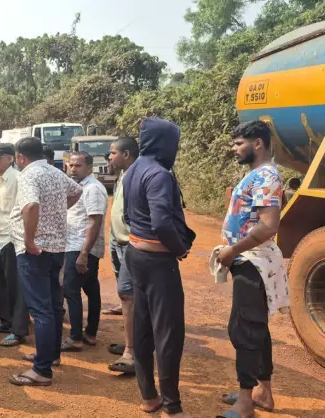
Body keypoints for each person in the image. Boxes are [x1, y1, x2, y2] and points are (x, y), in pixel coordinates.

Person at [122, 117, 195, 418]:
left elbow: (128, 216)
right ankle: (172, 407)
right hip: (158, 261)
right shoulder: (159, 174)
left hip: (135, 254)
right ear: (165, 143)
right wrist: (179, 249)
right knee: (168, 333)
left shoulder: (132, 170)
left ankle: (148, 396)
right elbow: (162, 222)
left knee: (143, 326)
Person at [216, 121, 289, 418]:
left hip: (253, 262)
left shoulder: (267, 177)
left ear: (257, 143)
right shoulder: (258, 174)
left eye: (239, 144)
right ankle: (263, 391)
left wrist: (233, 250)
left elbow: (269, 225)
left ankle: (245, 402)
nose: (234, 149)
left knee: (244, 329)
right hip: (247, 259)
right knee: (255, 326)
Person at [7, 137, 82, 387]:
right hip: (56, 248)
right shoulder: (55, 172)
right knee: (52, 305)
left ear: (20, 157)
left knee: (41, 310)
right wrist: (56, 211)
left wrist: (29, 240)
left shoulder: (28, 175)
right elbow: (77, 191)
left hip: (34, 251)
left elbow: (30, 206)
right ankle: (51, 356)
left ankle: (42, 370)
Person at [61, 152, 108, 352]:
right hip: (77, 245)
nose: (73, 169)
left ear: (89, 167)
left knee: (70, 289)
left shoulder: (93, 189)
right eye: (71, 165)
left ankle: (75, 337)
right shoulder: (79, 187)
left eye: (78, 165)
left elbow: (95, 221)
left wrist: (84, 253)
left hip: (80, 247)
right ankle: (90, 333)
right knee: (91, 289)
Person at [0, 143, 30, 347]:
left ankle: (19, 330)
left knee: (15, 286)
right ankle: (6, 321)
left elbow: (25, 209)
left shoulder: (18, 179)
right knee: (0, 284)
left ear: (9, 158)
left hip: (11, 239)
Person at [106, 137, 139, 375]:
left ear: (126, 154)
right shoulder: (123, 175)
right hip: (117, 241)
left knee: (128, 296)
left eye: (112, 153)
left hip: (130, 244)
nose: (109, 157)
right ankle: (132, 341)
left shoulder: (138, 175)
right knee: (127, 295)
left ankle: (131, 352)